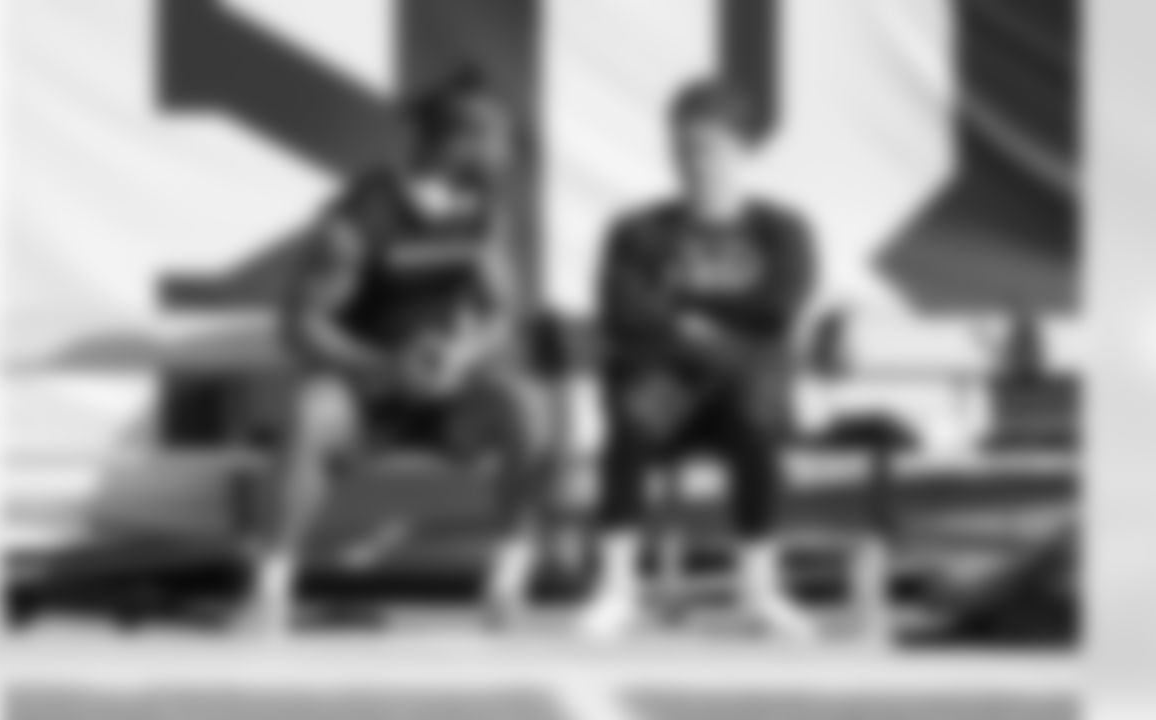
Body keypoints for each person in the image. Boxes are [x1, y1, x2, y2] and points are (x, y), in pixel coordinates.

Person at [245, 70, 554, 633]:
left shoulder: (482, 209)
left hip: (446, 394)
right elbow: (300, 323)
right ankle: (270, 592)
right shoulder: (362, 216)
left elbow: (504, 312)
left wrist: (463, 354)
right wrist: (382, 368)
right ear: (457, 141)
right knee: (310, 413)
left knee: (529, 407)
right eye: (498, 140)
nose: (508, 154)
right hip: (368, 391)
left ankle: (506, 588)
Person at [580, 79, 819, 640]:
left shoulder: (781, 230)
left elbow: (778, 309)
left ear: (741, 149)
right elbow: (622, 312)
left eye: (706, 147)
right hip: (671, 387)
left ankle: (759, 591)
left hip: (745, 391)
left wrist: (685, 309)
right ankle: (615, 589)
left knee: (753, 416)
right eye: (681, 148)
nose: (692, 162)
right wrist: (712, 326)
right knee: (633, 421)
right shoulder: (638, 231)